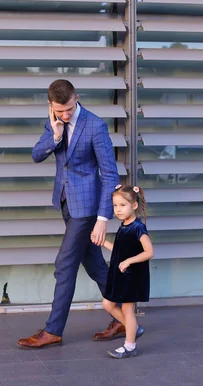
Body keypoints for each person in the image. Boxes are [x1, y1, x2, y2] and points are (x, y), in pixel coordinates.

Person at [17, 79, 121, 349]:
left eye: (70, 109)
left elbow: (110, 174)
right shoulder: (53, 122)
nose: (66, 115)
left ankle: (53, 330)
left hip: (86, 210)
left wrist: (102, 219)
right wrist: (55, 135)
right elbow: (36, 155)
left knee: (64, 265)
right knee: (95, 265)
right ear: (50, 105)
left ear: (77, 98)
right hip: (65, 203)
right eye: (60, 110)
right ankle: (123, 316)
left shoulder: (95, 125)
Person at [92, 184, 153, 359]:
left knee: (127, 310)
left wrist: (129, 261)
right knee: (108, 303)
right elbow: (119, 251)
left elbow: (149, 252)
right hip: (121, 275)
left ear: (134, 206)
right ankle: (133, 328)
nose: (118, 210)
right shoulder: (124, 226)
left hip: (132, 276)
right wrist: (102, 242)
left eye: (122, 205)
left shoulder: (137, 228)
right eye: (115, 206)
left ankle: (130, 345)